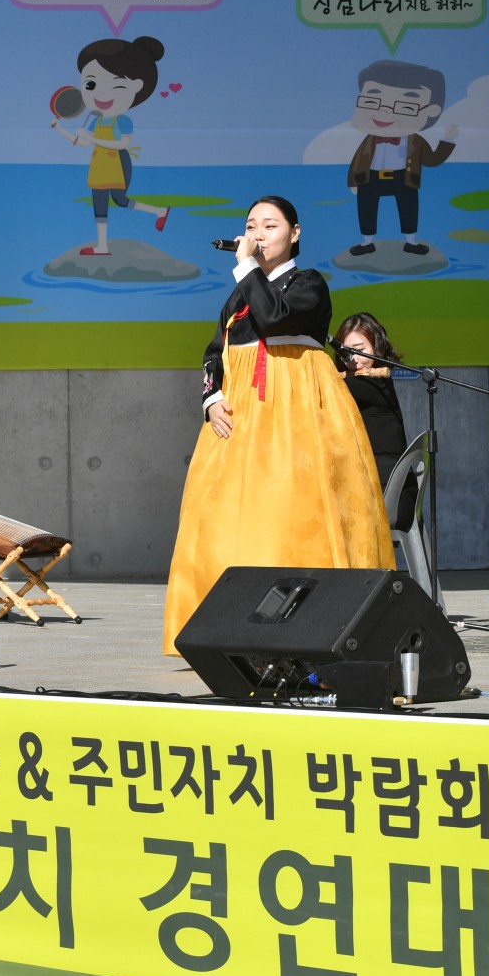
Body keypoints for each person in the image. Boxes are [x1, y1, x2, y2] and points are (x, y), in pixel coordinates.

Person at [162, 196, 393, 656]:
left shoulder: (309, 283)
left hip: (295, 414)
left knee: (289, 515)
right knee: (221, 519)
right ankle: (222, 630)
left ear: (295, 232)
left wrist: (246, 267)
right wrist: (211, 398)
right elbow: (215, 352)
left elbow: (273, 318)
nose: (258, 233)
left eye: (270, 225)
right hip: (241, 418)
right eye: (251, 226)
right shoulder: (239, 292)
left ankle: (306, 628)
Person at [50, 36, 171, 255]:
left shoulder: (123, 120)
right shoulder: (96, 120)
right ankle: (102, 246)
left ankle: (160, 211)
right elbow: (82, 143)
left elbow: (121, 144)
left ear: (136, 86)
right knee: (99, 205)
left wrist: (93, 138)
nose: (100, 93)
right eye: (91, 85)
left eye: (116, 85)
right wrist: (60, 129)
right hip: (98, 165)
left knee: (121, 200)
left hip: (118, 162)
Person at [345, 59, 457, 257]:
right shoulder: (369, 139)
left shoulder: (415, 141)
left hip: (404, 177)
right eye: (372, 102)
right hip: (370, 177)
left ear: (431, 111)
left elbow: (432, 159)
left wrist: (448, 140)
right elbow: (359, 160)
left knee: (409, 208)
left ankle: (411, 242)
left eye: (406, 107)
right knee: (366, 207)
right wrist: (354, 181)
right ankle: (367, 242)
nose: (385, 112)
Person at [335, 312, 418, 531]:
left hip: (391, 499)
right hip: (377, 491)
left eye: (360, 350)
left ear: (377, 347)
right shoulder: (358, 383)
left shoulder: (372, 385)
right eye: (346, 353)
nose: (354, 359)